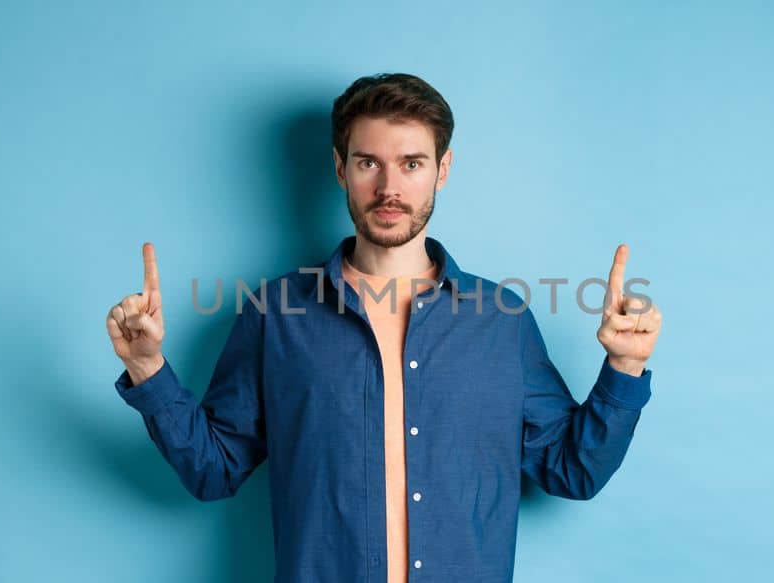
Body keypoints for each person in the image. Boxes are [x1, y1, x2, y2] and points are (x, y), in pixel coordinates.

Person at [104, 72, 664, 583]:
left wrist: (625, 368)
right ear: (339, 167)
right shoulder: (274, 315)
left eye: (412, 163)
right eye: (369, 162)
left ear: (442, 170)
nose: (389, 187)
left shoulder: (502, 320)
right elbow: (214, 470)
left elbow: (573, 472)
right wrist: (147, 368)